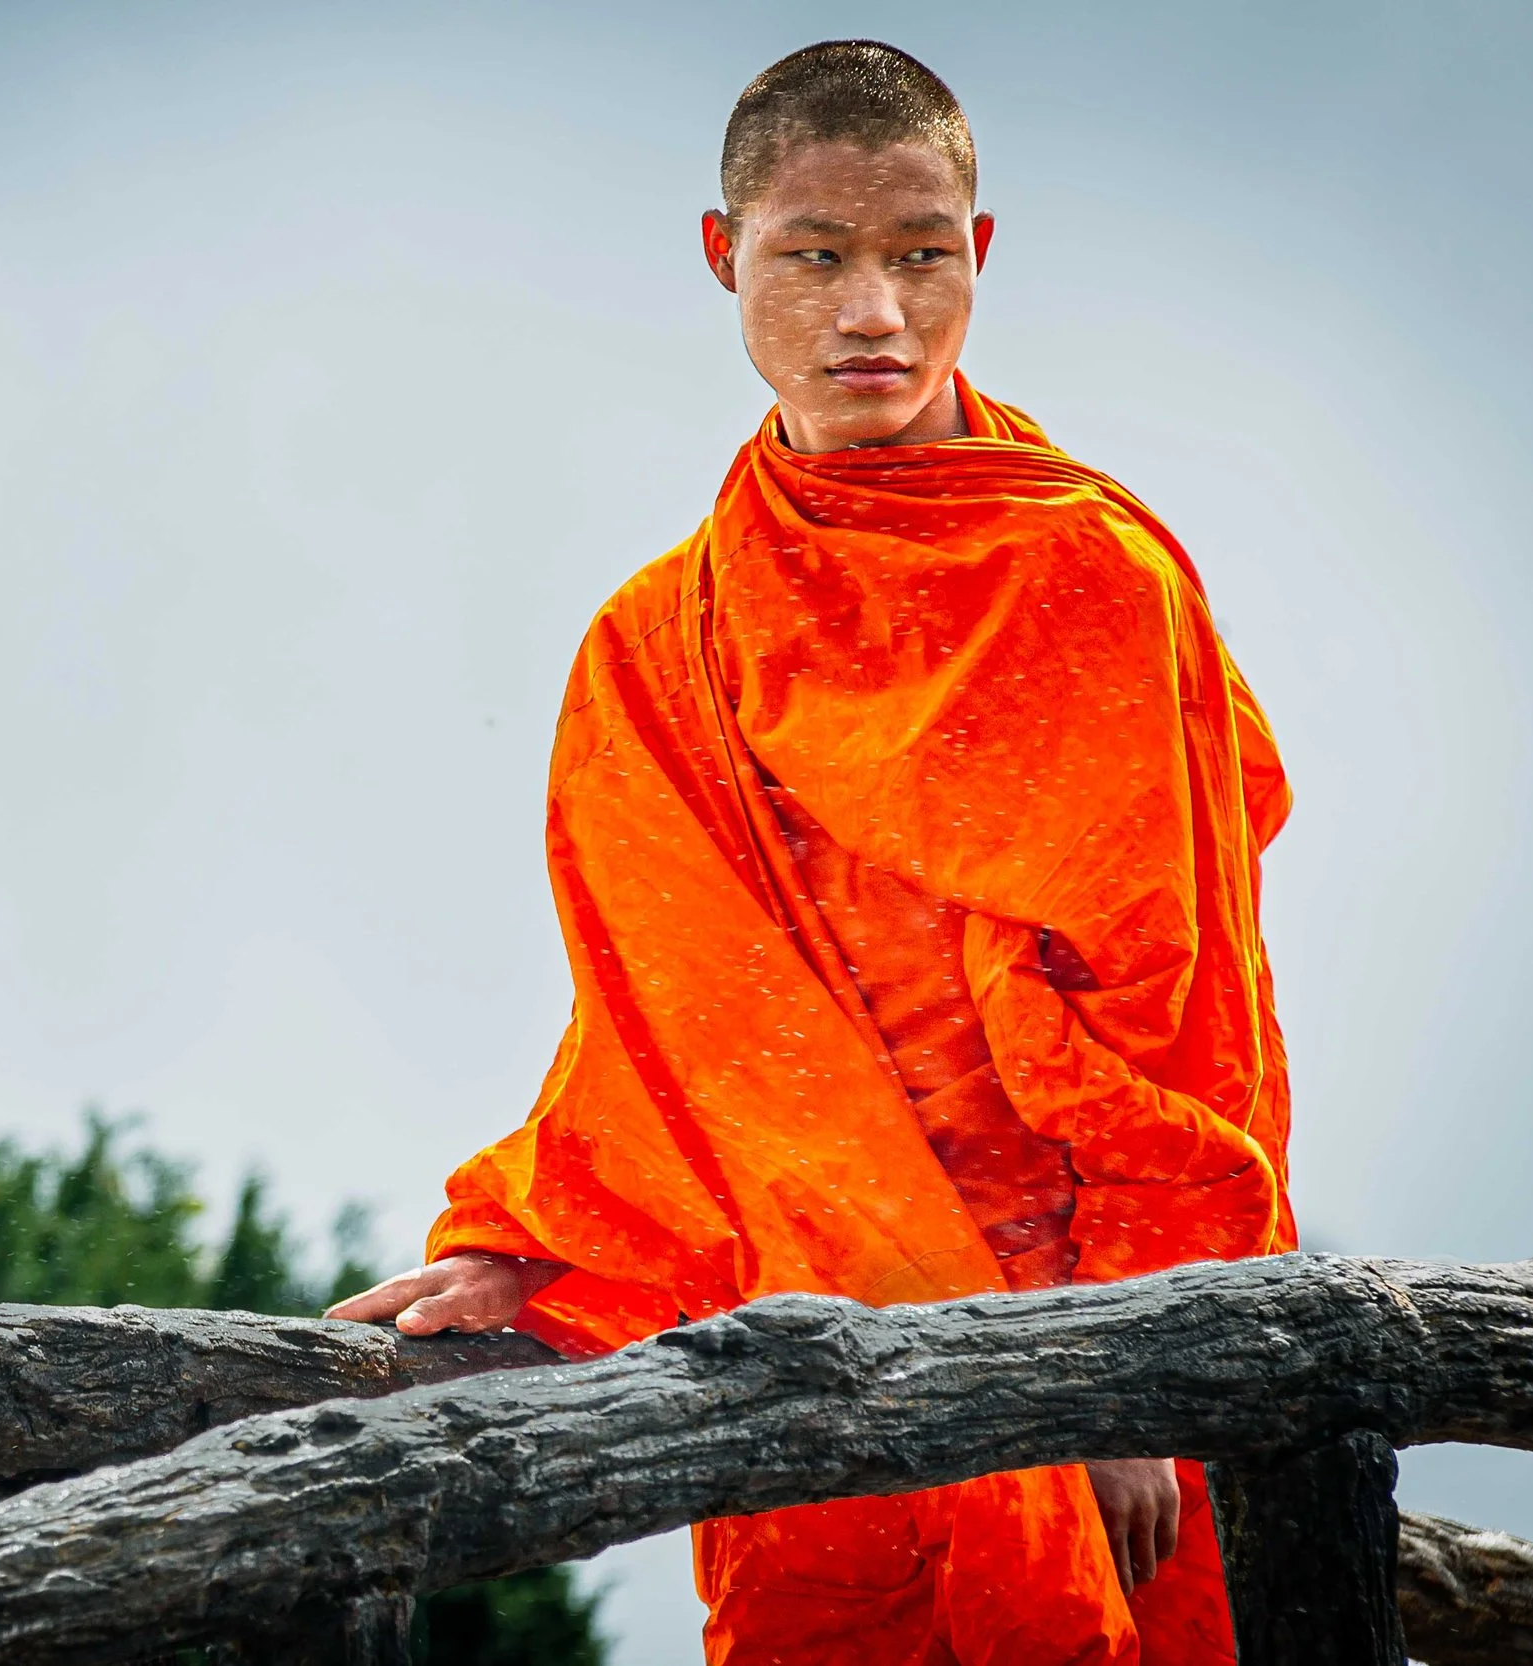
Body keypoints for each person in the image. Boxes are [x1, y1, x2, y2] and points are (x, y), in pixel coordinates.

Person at [328, 39, 1293, 1666]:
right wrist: (538, 1239)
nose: (875, 316)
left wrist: (1141, 1371)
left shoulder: (1090, 581)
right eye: (814, 256)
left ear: (979, 255)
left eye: (922, 256)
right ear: (724, 257)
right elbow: (668, 1032)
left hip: (1089, 1329)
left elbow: (1178, 1030)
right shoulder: (655, 644)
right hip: (809, 1335)